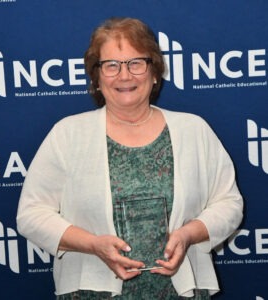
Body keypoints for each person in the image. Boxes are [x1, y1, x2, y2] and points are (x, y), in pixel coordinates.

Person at [16, 17, 243, 299]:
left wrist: (189, 235)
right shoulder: (67, 134)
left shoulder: (193, 130)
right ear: (96, 77)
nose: (124, 76)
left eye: (136, 63)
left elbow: (229, 203)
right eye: (111, 65)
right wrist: (93, 244)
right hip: (93, 291)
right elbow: (31, 215)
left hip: (179, 290)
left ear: (155, 71)